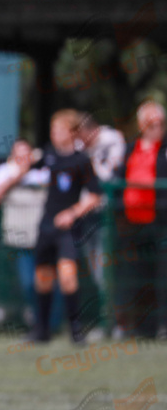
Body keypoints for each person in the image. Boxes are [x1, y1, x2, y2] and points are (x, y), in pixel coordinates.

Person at [4, 109, 101, 344]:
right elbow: (21, 169)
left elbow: (95, 196)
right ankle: (42, 331)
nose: (55, 134)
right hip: (45, 226)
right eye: (53, 130)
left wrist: (72, 213)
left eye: (60, 129)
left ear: (72, 132)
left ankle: (76, 331)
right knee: (43, 279)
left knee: (68, 276)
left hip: (68, 229)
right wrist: (22, 160)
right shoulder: (47, 156)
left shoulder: (81, 160)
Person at [0, 139, 62, 330]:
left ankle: (50, 324)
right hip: (19, 239)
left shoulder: (43, 172)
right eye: (18, 153)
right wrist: (20, 175)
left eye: (26, 153)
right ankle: (37, 320)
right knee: (29, 283)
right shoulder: (3, 171)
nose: (22, 158)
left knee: (49, 282)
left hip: (45, 237)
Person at [113, 101, 167, 338]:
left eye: (161, 123)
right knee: (135, 276)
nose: (157, 127)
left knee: (161, 276)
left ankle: (162, 325)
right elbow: (117, 179)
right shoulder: (129, 149)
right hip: (132, 225)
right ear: (141, 125)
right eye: (151, 123)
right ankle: (141, 327)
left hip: (160, 223)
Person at [75, 113, 125, 319]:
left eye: (82, 136)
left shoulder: (112, 140)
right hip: (85, 216)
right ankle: (107, 319)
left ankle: (117, 322)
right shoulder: (80, 146)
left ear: (92, 131)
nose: (80, 141)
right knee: (96, 271)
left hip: (106, 215)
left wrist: (87, 161)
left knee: (108, 271)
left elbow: (106, 177)